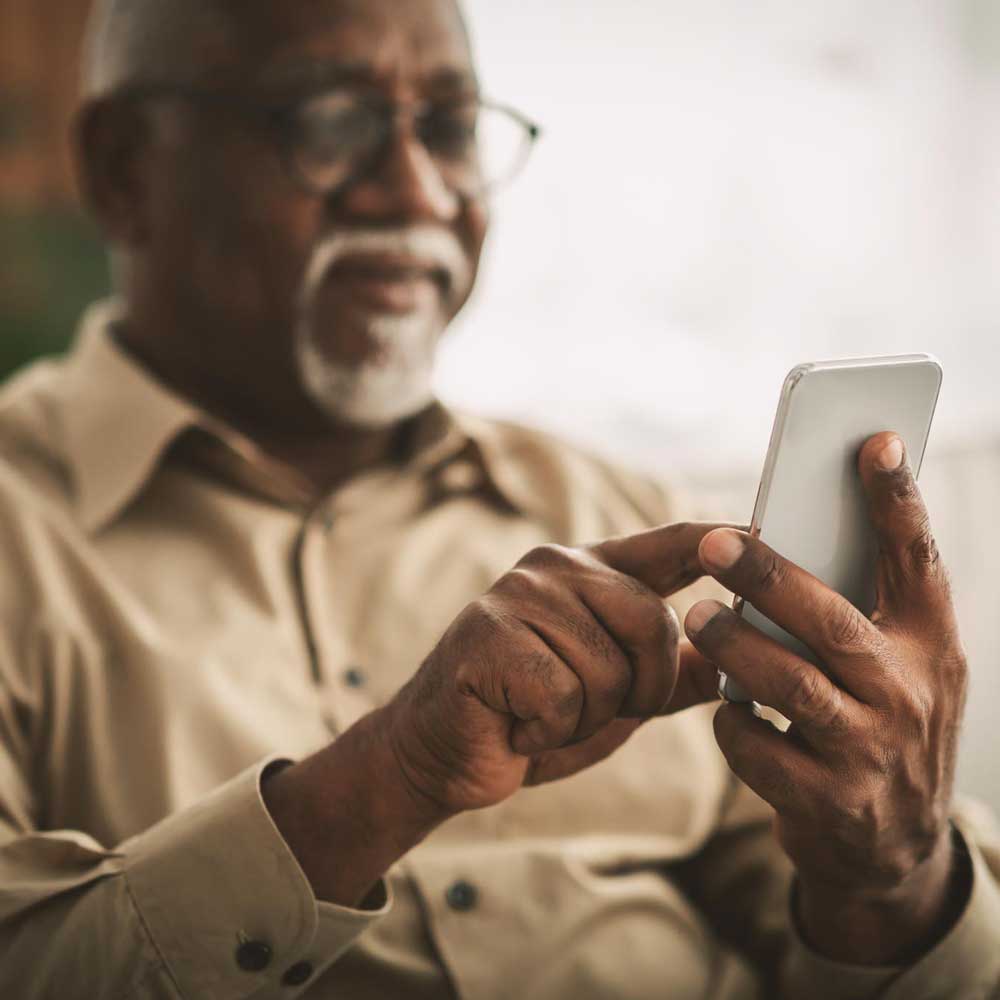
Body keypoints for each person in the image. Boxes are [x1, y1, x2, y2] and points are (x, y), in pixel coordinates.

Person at [0, 0, 998, 997]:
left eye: (447, 128)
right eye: (330, 120)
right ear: (127, 167)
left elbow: (828, 935)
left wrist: (896, 874)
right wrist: (389, 777)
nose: (416, 189)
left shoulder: (620, 514)